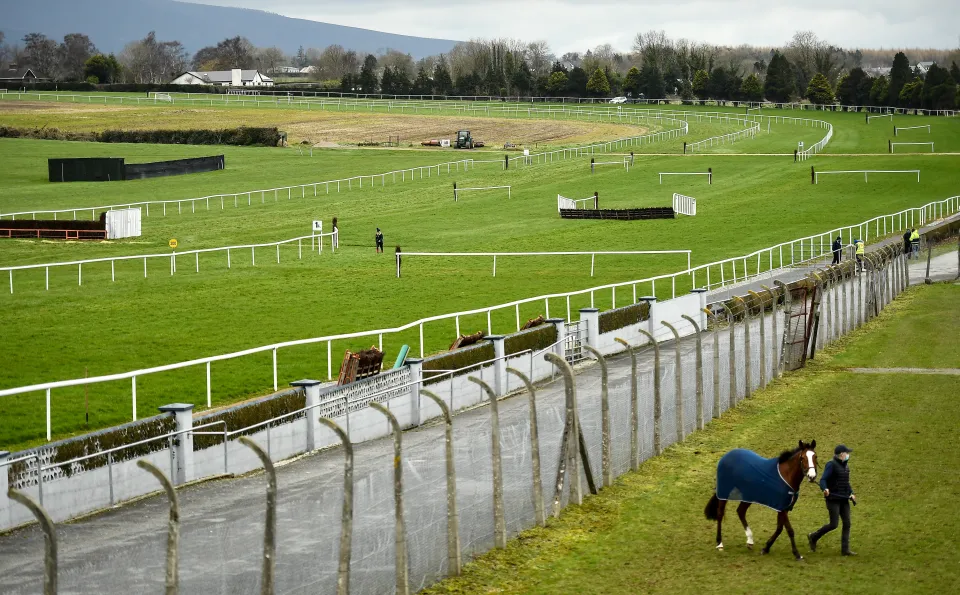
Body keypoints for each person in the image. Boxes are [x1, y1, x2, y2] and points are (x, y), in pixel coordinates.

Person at [808, 445, 857, 556]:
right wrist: (825, 488)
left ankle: (845, 549)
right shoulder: (831, 465)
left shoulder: (846, 467)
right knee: (833, 524)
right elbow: (823, 479)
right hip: (833, 499)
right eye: (846, 453)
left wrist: (851, 493)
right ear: (841, 455)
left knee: (847, 523)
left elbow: (846, 483)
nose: (848, 455)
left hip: (844, 499)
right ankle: (813, 536)